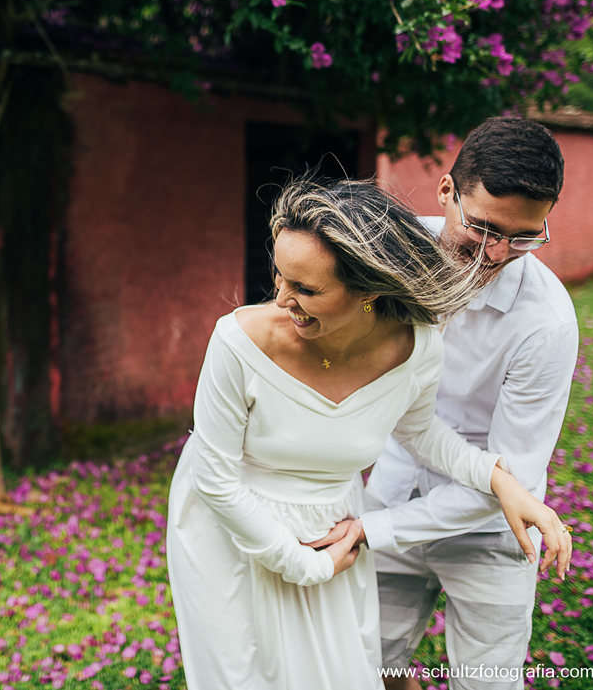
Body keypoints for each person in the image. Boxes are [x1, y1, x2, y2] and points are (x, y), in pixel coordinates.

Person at [165, 177, 572, 690]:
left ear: (368, 291)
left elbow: (422, 434)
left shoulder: (418, 348)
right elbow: (215, 481)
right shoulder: (237, 341)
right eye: (280, 276)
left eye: (306, 289)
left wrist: (499, 480)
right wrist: (304, 565)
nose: (281, 299)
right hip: (231, 534)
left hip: (329, 530)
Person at [357, 118, 579, 690]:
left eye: (523, 237)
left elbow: (514, 476)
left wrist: (373, 529)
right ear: (446, 192)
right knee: (370, 667)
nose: (496, 253)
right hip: (390, 490)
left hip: (491, 528)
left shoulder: (547, 323)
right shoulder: (392, 255)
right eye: (482, 227)